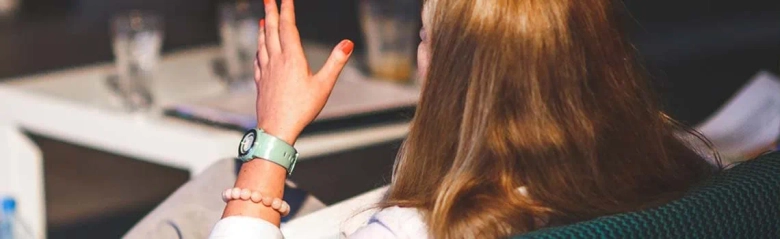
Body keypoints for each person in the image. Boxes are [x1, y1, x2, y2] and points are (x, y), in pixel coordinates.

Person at [209, 0, 719, 238]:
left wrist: (272, 134)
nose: (418, 55)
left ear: (456, 76)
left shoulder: (420, 230)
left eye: (426, 38)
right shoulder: (683, 163)